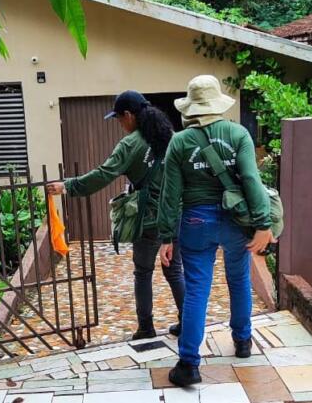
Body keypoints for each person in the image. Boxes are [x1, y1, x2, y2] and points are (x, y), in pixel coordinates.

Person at [157, 75, 276, 386]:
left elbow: (170, 193)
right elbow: (251, 180)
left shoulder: (179, 142)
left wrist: (166, 237)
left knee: (197, 290)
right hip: (235, 221)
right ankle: (243, 341)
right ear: (218, 104)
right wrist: (263, 224)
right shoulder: (238, 134)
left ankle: (188, 364)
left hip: (195, 222)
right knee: (238, 279)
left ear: (191, 108)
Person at [46, 91, 185, 340]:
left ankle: (146, 327)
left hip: (149, 219)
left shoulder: (131, 144)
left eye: (120, 119)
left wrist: (68, 186)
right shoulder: (170, 137)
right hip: (174, 214)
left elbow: (104, 174)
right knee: (174, 270)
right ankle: (188, 321)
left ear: (129, 115)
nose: (120, 124)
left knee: (143, 272)